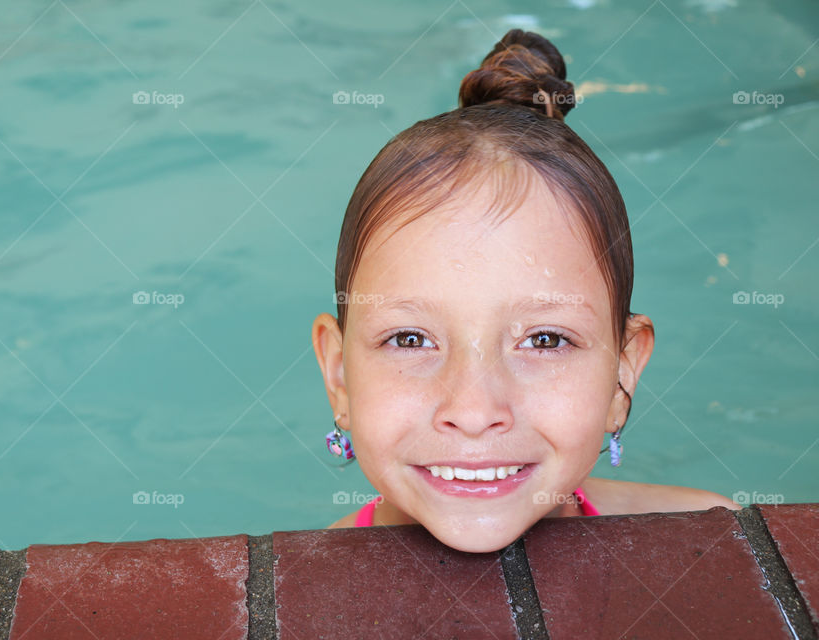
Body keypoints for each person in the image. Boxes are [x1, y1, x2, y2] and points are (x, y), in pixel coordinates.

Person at [312, 28, 738, 554]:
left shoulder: (711, 544)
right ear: (339, 377)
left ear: (622, 372)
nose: (472, 411)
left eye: (544, 340)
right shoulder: (284, 604)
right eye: (409, 339)